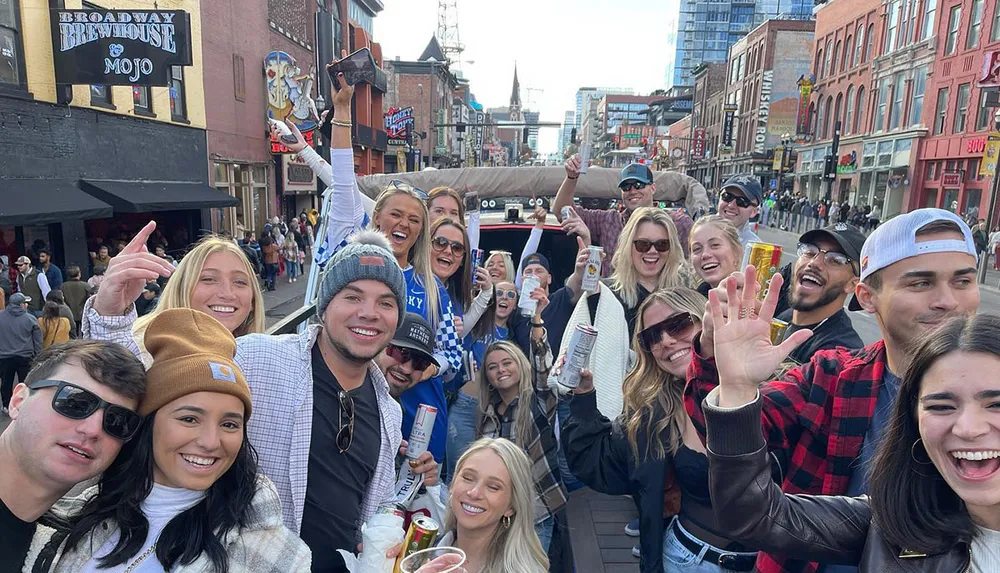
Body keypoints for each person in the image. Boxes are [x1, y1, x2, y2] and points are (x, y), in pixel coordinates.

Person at [87, 230, 429, 573]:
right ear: (325, 307)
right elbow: (145, 392)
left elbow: (374, 508)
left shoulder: (389, 410)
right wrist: (111, 317)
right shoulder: (258, 357)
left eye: (386, 302)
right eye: (353, 297)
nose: (369, 313)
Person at [685, 208, 981, 573]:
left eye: (963, 282)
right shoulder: (832, 377)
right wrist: (734, 383)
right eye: (921, 283)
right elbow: (733, 449)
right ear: (868, 297)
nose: (948, 301)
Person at [703, 310, 1000, 572]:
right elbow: (754, 513)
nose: (969, 428)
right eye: (941, 407)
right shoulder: (890, 525)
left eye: (996, 404)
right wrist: (737, 389)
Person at [27, 309, 311, 572]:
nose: (211, 442)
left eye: (229, 424)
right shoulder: (71, 515)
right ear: (148, 424)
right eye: (189, 419)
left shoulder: (270, 553)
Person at [287, 66, 462, 464]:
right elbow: (344, 180)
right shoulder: (355, 257)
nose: (404, 224)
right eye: (396, 215)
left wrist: (422, 368)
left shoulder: (431, 286)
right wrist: (343, 113)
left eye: (415, 220)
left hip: (418, 411)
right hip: (352, 401)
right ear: (376, 218)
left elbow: (454, 356)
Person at [564, 288, 759, 573]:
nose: (666, 341)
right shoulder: (652, 413)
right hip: (687, 561)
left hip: (772, 564)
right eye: (652, 336)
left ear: (705, 320)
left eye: (678, 324)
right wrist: (583, 396)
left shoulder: (766, 383)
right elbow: (596, 462)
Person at [0, 340, 145, 573]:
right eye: (75, 402)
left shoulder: (64, 549)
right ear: (18, 401)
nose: (92, 430)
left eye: (118, 420)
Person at [561, 207, 694, 418]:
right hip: (620, 409)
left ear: (672, 249)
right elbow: (567, 313)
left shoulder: (685, 294)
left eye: (661, 245)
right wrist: (579, 277)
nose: (652, 252)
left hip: (676, 405)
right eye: (642, 244)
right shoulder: (604, 293)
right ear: (628, 246)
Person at [82, 228, 266, 368]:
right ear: (182, 288)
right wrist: (109, 314)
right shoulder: (145, 352)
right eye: (208, 279)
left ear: (252, 301)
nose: (227, 293)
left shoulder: (260, 361)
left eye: (240, 282)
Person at [477, 330, 565, 552]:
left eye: (507, 362)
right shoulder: (487, 414)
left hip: (536, 511)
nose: (501, 370)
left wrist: (537, 328)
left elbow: (544, 376)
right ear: (487, 377)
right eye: (492, 367)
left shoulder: (537, 401)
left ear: (520, 365)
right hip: (498, 513)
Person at [552, 158, 696, 270]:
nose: (633, 191)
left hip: (660, 301)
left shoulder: (679, 223)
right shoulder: (608, 220)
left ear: (653, 188)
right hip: (614, 301)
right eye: (626, 187)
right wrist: (571, 177)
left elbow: (694, 262)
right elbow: (562, 212)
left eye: (639, 185)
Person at [441, 438, 549, 573]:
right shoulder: (421, 551)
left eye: (493, 487)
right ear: (452, 484)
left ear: (511, 506)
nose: (474, 493)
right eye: (468, 478)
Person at [775, 223, 867, 365]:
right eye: (810, 252)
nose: (814, 262)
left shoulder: (840, 354)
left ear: (852, 284)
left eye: (836, 260)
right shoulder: (784, 318)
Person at [0, 293, 42, 413]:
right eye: (25, 303)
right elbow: (37, 340)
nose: (27, 305)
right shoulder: (30, 319)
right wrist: (37, 355)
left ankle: (6, 405)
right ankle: (24, 404)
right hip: (25, 356)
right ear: (21, 305)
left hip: (4, 357)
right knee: (25, 382)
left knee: (6, 382)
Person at [689, 216, 743, 296]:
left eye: (715, 245)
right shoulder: (693, 300)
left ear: (736, 252)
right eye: (697, 249)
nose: (705, 254)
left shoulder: (754, 297)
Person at [716, 174, 763, 246]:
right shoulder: (698, 232)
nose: (731, 205)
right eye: (727, 196)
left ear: (754, 211)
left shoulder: (756, 251)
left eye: (742, 201)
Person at [61, 266, 90, 333]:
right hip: (83, 313)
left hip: (69, 313)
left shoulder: (63, 286)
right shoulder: (86, 286)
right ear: (79, 274)